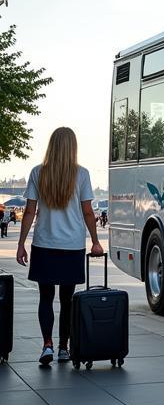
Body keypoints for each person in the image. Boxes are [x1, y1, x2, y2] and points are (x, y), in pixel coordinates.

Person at [15, 128, 104, 365]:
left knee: (45, 298)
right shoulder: (82, 174)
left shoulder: (38, 172)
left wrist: (21, 244)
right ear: (72, 147)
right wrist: (95, 242)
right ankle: (64, 348)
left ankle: (47, 345)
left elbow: (30, 211)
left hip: (44, 243)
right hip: (72, 246)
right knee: (67, 298)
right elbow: (87, 212)